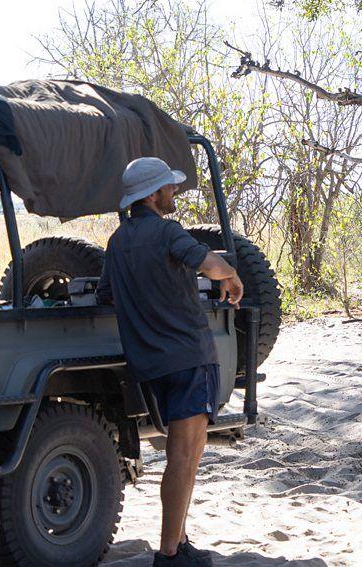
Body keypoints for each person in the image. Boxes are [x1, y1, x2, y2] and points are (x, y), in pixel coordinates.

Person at [96, 157, 244, 566]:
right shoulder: (167, 232)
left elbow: (106, 293)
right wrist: (230, 274)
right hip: (188, 357)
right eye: (168, 187)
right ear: (151, 194)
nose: (173, 192)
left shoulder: (117, 241)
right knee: (185, 456)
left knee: (182, 456)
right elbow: (209, 264)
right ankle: (170, 554)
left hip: (150, 363)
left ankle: (179, 540)